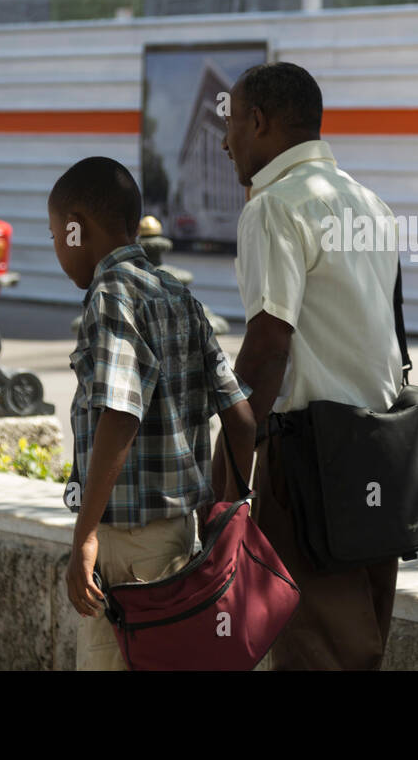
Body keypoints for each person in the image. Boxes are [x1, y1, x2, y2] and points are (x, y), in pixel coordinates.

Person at [215, 62, 404, 670]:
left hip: (308, 463)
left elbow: (269, 345)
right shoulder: (368, 202)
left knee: (317, 651)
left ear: (260, 121)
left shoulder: (273, 207)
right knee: (362, 645)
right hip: (380, 452)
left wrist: (228, 466)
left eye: (232, 124)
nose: (224, 142)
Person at [48, 156, 257, 671]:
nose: (55, 249)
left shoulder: (111, 294)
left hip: (123, 546)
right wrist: (225, 512)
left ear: (79, 229)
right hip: (180, 538)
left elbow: (120, 413)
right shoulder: (180, 296)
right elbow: (243, 419)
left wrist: (86, 536)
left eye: (56, 236)